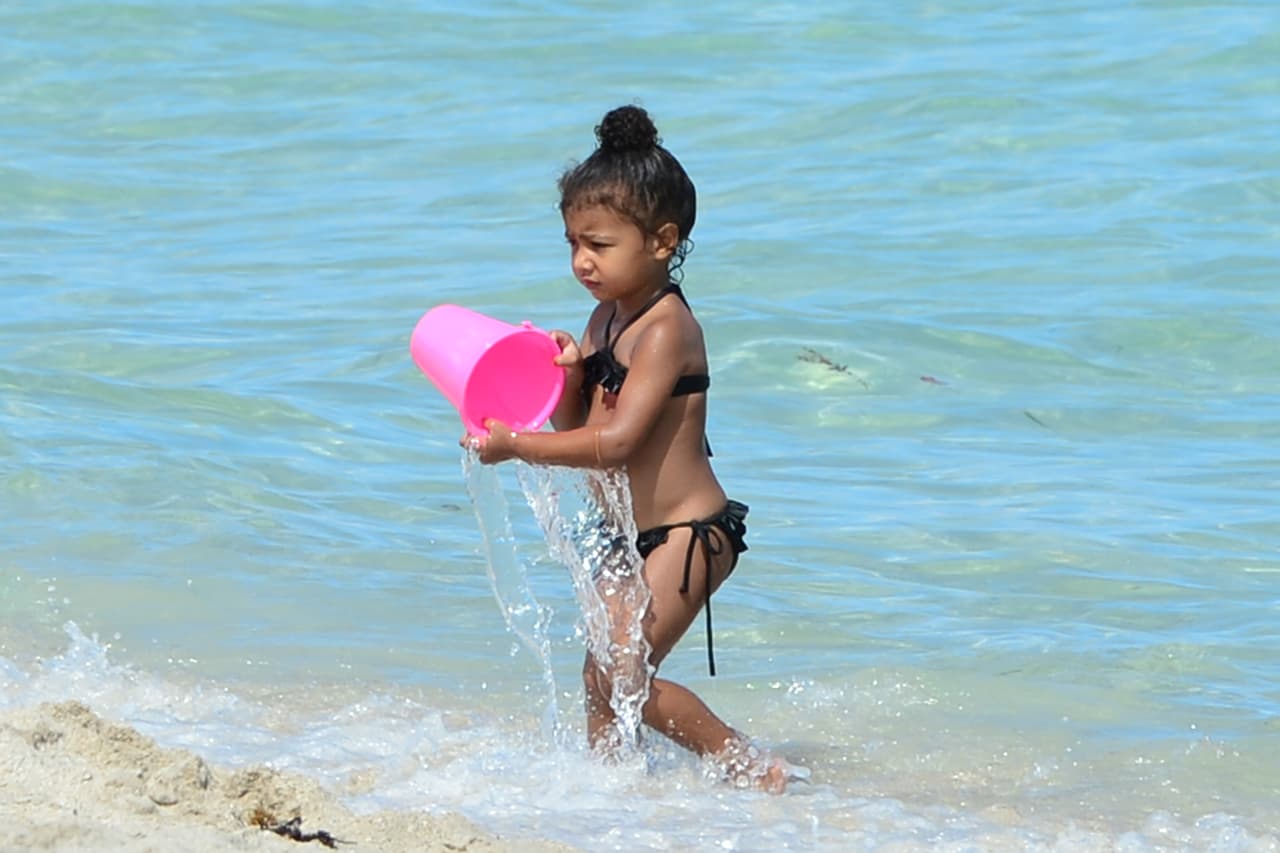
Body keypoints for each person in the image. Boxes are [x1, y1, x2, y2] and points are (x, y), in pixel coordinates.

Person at [464, 104, 788, 793]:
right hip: (623, 534)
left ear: (662, 240)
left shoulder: (667, 328)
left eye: (599, 244)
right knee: (598, 672)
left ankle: (756, 770)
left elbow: (616, 443)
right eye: (572, 242)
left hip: (688, 533)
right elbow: (581, 423)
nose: (582, 260)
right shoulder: (604, 316)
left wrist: (515, 445)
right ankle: (609, 789)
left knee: (624, 671)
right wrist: (573, 376)